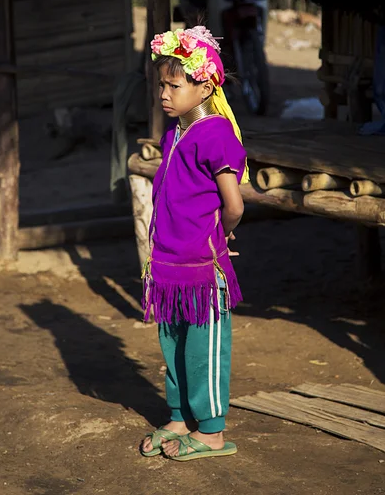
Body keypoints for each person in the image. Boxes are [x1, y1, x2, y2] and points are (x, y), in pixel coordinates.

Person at [140, 25, 249, 462]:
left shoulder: (216, 133)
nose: (164, 94)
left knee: (204, 351)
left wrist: (219, 237)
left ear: (204, 85)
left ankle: (212, 433)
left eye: (174, 85)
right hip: (168, 265)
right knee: (174, 347)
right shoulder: (175, 135)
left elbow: (234, 204)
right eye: (161, 85)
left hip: (203, 268)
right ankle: (180, 417)